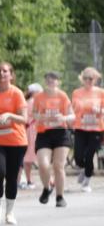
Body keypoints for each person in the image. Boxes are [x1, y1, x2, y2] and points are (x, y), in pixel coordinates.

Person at [0, 62, 28, 224]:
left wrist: (9, 115)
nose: (2, 73)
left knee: (11, 176)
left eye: (5, 71)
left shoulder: (17, 94)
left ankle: (10, 213)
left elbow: (24, 119)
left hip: (15, 140)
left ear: (11, 75)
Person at [31, 71, 75, 207]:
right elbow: (34, 114)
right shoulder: (39, 97)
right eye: (48, 79)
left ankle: (60, 197)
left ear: (58, 82)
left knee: (58, 166)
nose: (51, 81)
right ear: (45, 81)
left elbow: (72, 116)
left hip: (61, 133)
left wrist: (64, 118)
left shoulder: (62, 96)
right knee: (43, 165)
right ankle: (47, 187)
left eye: (54, 79)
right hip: (44, 133)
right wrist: (41, 117)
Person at [72, 67, 104, 193]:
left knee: (89, 154)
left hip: (96, 128)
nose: (88, 81)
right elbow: (74, 107)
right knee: (78, 156)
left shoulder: (101, 92)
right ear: (82, 79)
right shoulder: (76, 92)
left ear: (95, 79)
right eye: (85, 78)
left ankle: (86, 181)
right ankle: (84, 170)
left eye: (90, 78)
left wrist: (100, 111)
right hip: (80, 127)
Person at [20, 83, 43, 190]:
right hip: (34, 131)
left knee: (28, 157)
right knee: (37, 156)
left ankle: (28, 179)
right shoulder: (35, 103)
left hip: (28, 130)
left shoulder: (26, 102)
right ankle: (31, 179)